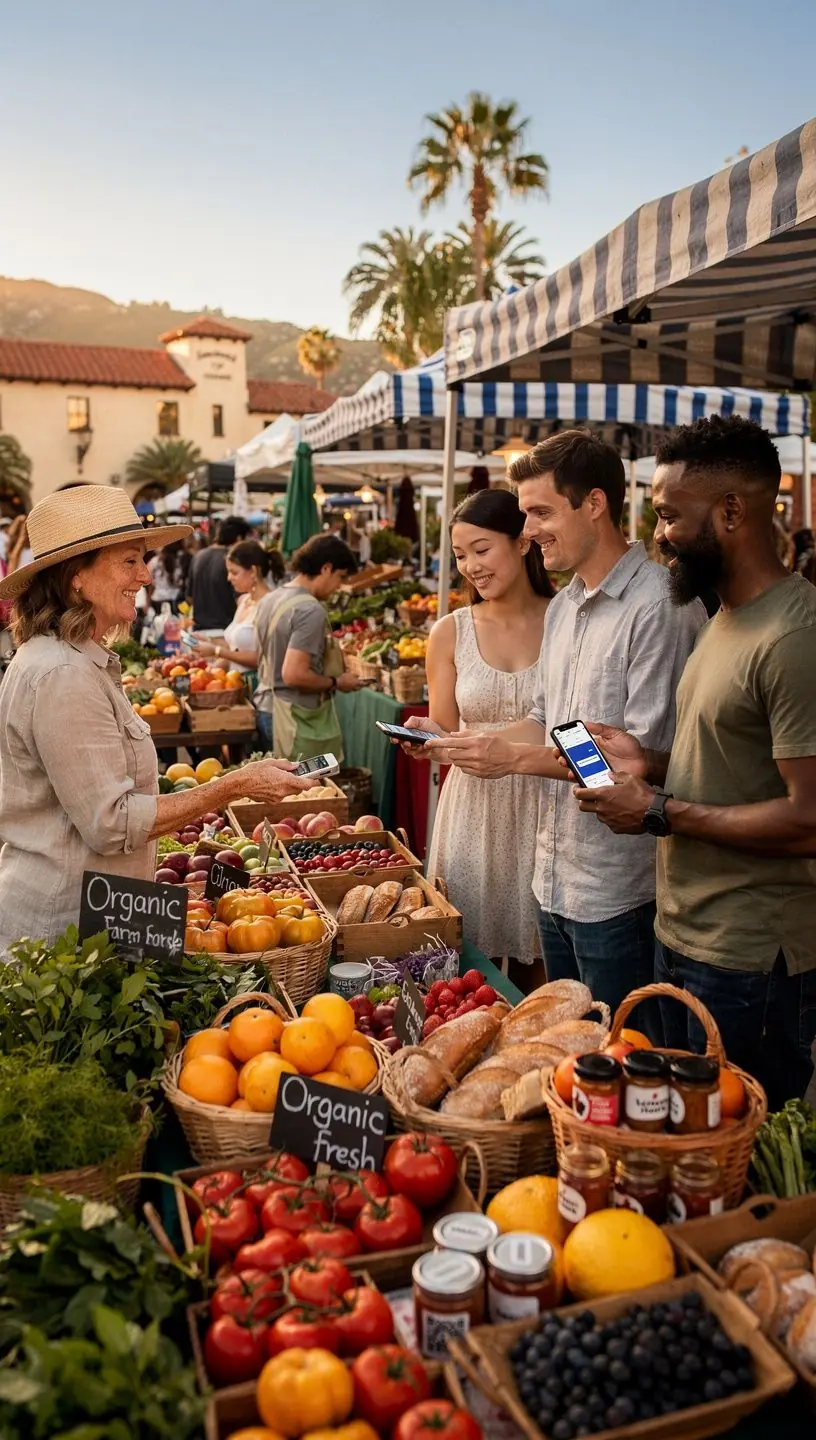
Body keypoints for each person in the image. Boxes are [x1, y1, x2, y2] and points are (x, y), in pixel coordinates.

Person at [571, 416, 816, 1108]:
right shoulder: (724, 618)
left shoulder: (794, 636)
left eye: (671, 516)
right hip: (683, 933)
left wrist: (657, 811)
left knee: (740, 1146)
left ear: (732, 512)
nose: (659, 535)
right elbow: (731, 760)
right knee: (684, 1141)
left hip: (751, 959)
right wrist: (648, 762)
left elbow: (808, 818)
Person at [423, 430, 704, 1028]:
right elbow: (550, 722)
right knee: (567, 1047)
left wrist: (513, 759)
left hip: (617, 889)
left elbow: (631, 766)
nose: (528, 530)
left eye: (541, 512)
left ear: (594, 503)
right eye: (525, 515)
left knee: (622, 1053)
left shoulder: (658, 606)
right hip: (551, 877)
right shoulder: (568, 605)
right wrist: (476, 744)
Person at [0, 486, 309, 952]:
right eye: (130, 561)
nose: (145, 575)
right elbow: (112, 823)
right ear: (76, 577)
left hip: (100, 917)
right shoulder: (63, 674)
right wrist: (233, 785)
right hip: (64, 936)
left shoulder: (76, 659)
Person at [404, 488, 553, 970]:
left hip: (547, 803)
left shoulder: (567, 619)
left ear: (523, 542)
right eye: (460, 555)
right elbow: (446, 728)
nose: (470, 566)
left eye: (481, 549)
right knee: (470, 967)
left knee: (543, 967)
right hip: (473, 811)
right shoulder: (450, 631)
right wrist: (428, 737)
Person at [254, 533, 365, 757]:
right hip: (293, 718)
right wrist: (337, 682)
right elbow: (294, 674)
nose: (339, 586)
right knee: (303, 780)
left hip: (265, 708)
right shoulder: (310, 610)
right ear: (326, 568)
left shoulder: (270, 599)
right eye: (340, 577)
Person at [192, 541, 284, 673]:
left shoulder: (270, 604)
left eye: (234, 573)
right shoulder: (244, 601)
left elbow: (264, 657)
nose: (229, 578)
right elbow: (235, 651)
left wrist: (217, 650)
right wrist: (209, 669)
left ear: (253, 571)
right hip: (235, 681)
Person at [189, 516, 251, 630]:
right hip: (226, 632)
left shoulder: (198, 556)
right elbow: (241, 600)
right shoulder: (233, 560)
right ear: (239, 538)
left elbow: (189, 597)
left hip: (198, 631)